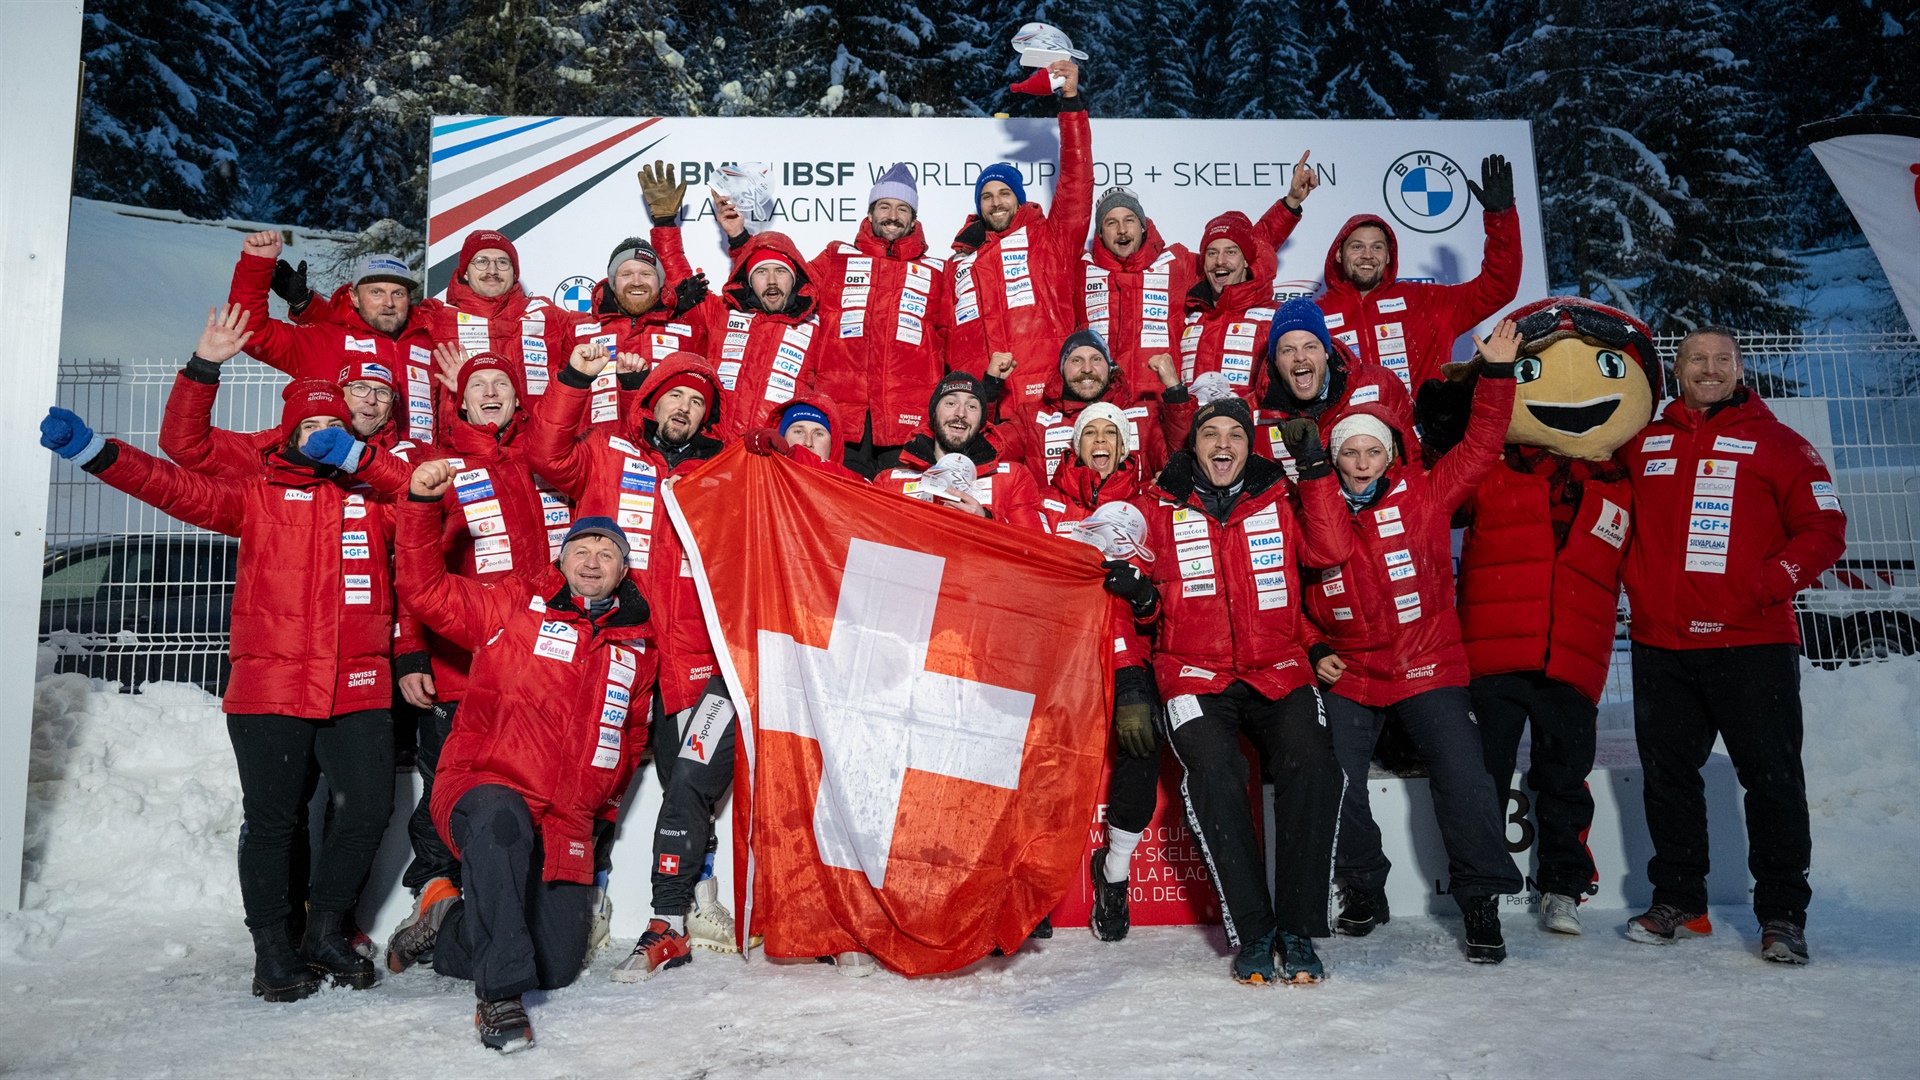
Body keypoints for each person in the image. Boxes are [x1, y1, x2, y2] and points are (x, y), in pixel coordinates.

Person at [40, 379, 398, 1002]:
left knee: (367, 809)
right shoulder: (256, 494)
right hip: (268, 687)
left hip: (357, 682)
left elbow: (433, 505)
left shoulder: (374, 497)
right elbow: (171, 485)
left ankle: (321, 929)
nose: (320, 438)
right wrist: (95, 451)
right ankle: (272, 952)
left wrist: (359, 461)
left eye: (332, 429)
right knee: (272, 823)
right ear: (288, 435)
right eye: (309, 428)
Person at [392, 490, 657, 1052]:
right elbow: (424, 590)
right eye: (580, 548)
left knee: (557, 967)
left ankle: (445, 924)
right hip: (486, 784)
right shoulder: (513, 604)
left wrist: (601, 806)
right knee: (501, 818)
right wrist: (418, 505)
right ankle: (500, 1000)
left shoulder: (637, 645)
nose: (591, 561)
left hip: (566, 817)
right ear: (560, 560)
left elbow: (631, 737)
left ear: (623, 571)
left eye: (606, 554)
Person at [1617, 327, 1846, 964]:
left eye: (1722, 360)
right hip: (1662, 645)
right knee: (1668, 781)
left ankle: (1782, 915)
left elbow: (1825, 528)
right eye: (1697, 360)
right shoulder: (1644, 441)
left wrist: (1771, 583)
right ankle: (1681, 902)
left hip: (1753, 644)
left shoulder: (1779, 442)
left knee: (1772, 782)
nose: (1709, 369)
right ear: (1678, 368)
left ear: (1739, 369)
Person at [1302, 321, 1524, 963]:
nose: (1362, 462)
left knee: (1465, 772)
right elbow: (1288, 597)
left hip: (1428, 666)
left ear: (1391, 454)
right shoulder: (1310, 509)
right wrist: (1316, 647)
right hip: (1353, 674)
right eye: (1350, 452)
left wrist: (1497, 375)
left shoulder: (1424, 495)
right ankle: (1364, 888)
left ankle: (1481, 899)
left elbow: (1481, 448)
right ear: (1335, 457)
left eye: (1373, 451)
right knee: (1329, 773)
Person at [522, 345, 743, 973]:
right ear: (651, 399)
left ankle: (686, 905)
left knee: (689, 782)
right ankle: (585, 898)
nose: (686, 408)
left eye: (699, 402)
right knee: (594, 776)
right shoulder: (606, 450)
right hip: (613, 645)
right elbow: (545, 454)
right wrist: (572, 379)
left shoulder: (722, 471)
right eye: (676, 394)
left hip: (697, 662)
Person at [346, 349, 567, 968]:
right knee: (449, 783)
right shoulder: (437, 466)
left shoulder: (533, 464)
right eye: (479, 386)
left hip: (528, 661)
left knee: (519, 780)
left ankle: (480, 909)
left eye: (503, 383)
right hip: (455, 661)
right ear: (459, 403)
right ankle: (434, 898)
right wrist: (410, 650)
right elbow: (416, 566)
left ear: (519, 402)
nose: (491, 392)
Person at [1446, 297, 1659, 937]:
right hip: (1494, 654)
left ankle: (1562, 887)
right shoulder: (1488, 471)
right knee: (1482, 776)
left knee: (1565, 780)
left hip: (1574, 655)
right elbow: (1432, 501)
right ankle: (1478, 890)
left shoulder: (1623, 482)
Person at [1125, 394, 1354, 984]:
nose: (1222, 444)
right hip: (1192, 673)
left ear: (1250, 444)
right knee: (1217, 772)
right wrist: (1146, 606)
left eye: (1234, 433)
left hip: (1277, 666)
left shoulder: (1279, 495)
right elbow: (1133, 601)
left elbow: (1330, 549)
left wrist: (1318, 470)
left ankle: (1298, 930)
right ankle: (1255, 930)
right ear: (1192, 445)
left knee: (1313, 762)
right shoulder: (1154, 506)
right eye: (1210, 434)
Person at [1043, 407, 1161, 941]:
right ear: (1072, 443)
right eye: (1088, 431)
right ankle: (1033, 884)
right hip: (1061, 656)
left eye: (1109, 432)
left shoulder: (1149, 505)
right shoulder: (1047, 503)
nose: (1099, 439)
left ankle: (1114, 870)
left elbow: (1166, 602)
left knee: (1141, 745)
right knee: (1042, 756)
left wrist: (1142, 596)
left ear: (1124, 446)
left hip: (1128, 656)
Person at [286, 229, 582, 422]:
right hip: (463, 444)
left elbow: (600, 327)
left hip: (538, 438)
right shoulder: (437, 315)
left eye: (502, 263)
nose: (492, 270)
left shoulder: (547, 313)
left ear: (514, 272)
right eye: (481, 262)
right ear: (464, 272)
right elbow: (371, 321)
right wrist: (308, 306)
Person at [780, 162, 953, 476]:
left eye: (902, 209)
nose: (892, 215)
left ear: (914, 218)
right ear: (870, 213)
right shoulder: (836, 257)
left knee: (897, 514)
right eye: (884, 206)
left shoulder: (938, 271)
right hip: (842, 420)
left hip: (909, 422)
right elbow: (783, 290)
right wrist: (739, 241)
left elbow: (954, 341)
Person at [944, 60, 1090, 404]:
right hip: (986, 404)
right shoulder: (959, 262)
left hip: (1046, 400)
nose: (995, 203)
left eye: (1004, 193)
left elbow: (1076, 181)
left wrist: (1070, 103)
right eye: (986, 196)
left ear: (1019, 199)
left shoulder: (1050, 238)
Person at [1316, 155, 1523, 393]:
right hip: (1349, 430)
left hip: (1419, 428)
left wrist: (1501, 218)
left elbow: (1498, 288)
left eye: (1377, 247)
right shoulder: (1317, 314)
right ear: (1339, 255)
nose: (1367, 255)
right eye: (1357, 247)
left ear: (1389, 256)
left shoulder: (1424, 300)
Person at [228, 230, 439, 444]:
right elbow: (251, 331)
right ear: (354, 297)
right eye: (376, 292)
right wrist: (256, 264)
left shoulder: (430, 340)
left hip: (424, 469)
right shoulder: (329, 341)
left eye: (398, 293)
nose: (389, 302)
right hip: (352, 471)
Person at [677, 218, 828, 443]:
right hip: (716, 451)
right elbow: (680, 281)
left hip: (775, 456)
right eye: (761, 272)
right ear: (748, 280)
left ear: (795, 278)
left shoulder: (818, 327)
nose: (771, 281)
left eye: (780, 271)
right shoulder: (722, 313)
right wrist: (665, 224)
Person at [1245, 298, 1418, 474]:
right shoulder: (1253, 414)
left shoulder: (1380, 384)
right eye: (1288, 350)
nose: (1300, 357)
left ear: (1326, 352)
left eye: (1310, 347)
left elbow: (1415, 459)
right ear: (1275, 360)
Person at [994, 328, 1177, 487]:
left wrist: (1175, 390)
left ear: (1109, 367)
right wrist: (989, 386)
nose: (1087, 369)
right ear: (1062, 369)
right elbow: (986, 455)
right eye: (1076, 360)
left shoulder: (1144, 416)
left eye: (1096, 359)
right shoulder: (1032, 418)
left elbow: (1179, 465)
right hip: (1058, 523)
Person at [873, 372, 1049, 532]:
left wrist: (987, 524)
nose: (961, 413)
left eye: (972, 406)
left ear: (981, 422)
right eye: (951, 403)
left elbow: (1037, 550)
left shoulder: (1013, 479)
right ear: (934, 414)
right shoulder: (889, 484)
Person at [1176, 195, 1314, 395]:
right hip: (1193, 425)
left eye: (1231, 252)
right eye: (1212, 253)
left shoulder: (1275, 317)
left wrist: (1290, 203)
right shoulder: (1186, 312)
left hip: (1252, 425)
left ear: (1247, 261)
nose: (1220, 261)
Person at [742, 394, 869, 482]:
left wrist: (797, 455)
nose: (808, 442)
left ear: (833, 444)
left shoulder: (851, 480)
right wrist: (751, 446)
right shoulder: (761, 475)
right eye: (798, 431)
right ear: (781, 436)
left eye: (818, 434)